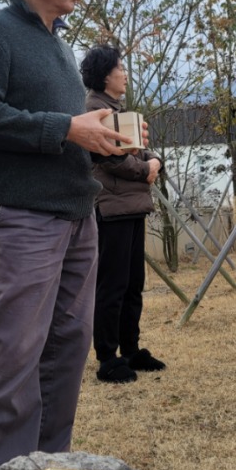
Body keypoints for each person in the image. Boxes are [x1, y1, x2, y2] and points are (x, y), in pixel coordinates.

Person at [0, 0, 133, 470]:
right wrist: (68, 128)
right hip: (22, 218)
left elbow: (66, 134)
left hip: (78, 217)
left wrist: (104, 143)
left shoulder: (59, 48)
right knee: (13, 353)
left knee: (67, 349)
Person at [80, 45, 166, 383]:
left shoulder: (118, 108)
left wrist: (155, 160)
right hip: (111, 206)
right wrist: (147, 168)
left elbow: (140, 145)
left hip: (132, 205)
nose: (125, 73)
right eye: (120, 67)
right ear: (104, 75)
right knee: (112, 285)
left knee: (133, 283)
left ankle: (131, 349)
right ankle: (107, 357)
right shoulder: (93, 110)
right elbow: (110, 157)